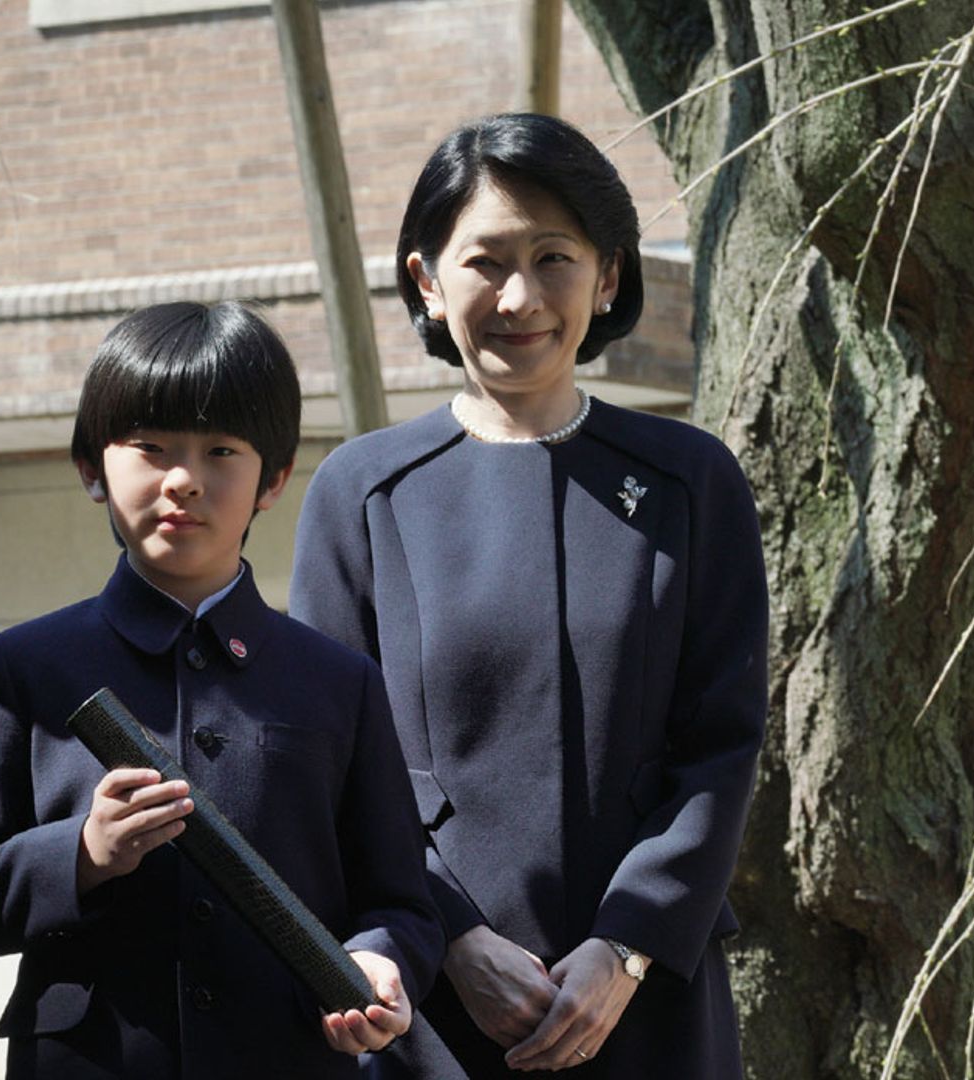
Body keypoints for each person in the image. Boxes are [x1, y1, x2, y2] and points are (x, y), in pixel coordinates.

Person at [290, 113, 767, 1078]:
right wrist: (453, 943)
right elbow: (331, 765)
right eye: (486, 261)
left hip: (647, 1005)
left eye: (554, 257)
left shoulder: (690, 480)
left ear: (610, 274)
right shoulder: (362, 490)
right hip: (425, 1002)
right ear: (426, 279)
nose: (520, 295)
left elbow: (721, 746)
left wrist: (624, 947)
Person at [0, 301, 444, 1079]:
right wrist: (81, 855)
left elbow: (402, 905)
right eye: (151, 448)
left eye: (222, 449)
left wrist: (384, 962)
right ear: (92, 468)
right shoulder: (26, 667)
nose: (185, 480)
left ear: (275, 478)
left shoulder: (338, 682)